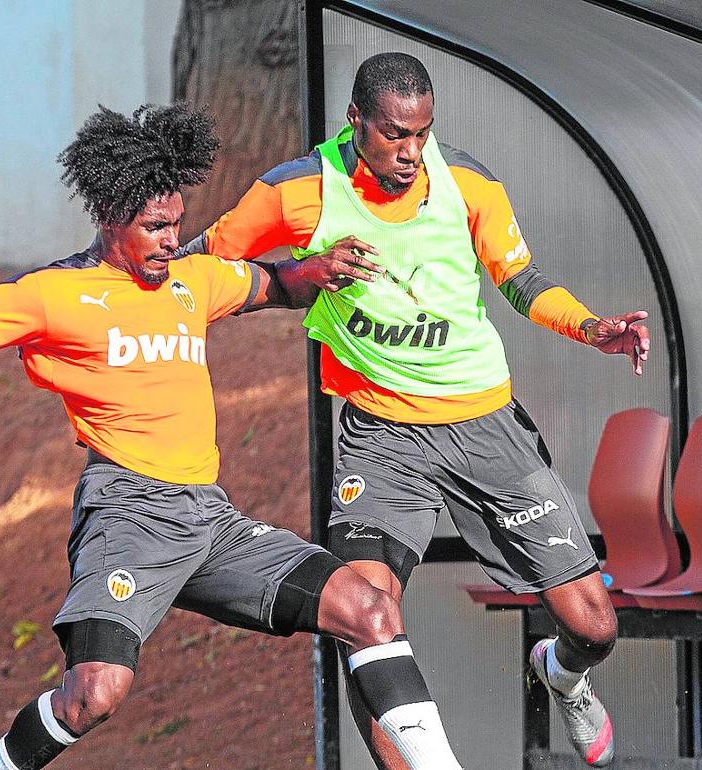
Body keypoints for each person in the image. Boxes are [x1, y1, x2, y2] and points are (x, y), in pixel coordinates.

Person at [0, 103, 467, 770]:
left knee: (369, 610)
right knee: (95, 695)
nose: (171, 240)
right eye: (155, 227)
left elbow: (276, 283)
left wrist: (323, 266)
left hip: (209, 520)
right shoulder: (51, 295)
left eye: (177, 223)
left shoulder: (193, 279)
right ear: (111, 218)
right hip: (127, 514)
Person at [186, 53, 651, 768]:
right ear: (356, 123)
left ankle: (564, 673)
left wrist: (592, 328)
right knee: (365, 620)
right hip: (380, 438)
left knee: (595, 623)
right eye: (395, 135)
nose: (410, 153)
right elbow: (208, 266)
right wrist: (287, 278)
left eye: (422, 135)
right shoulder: (297, 191)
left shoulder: (466, 181)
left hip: (485, 427)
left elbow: (520, 280)